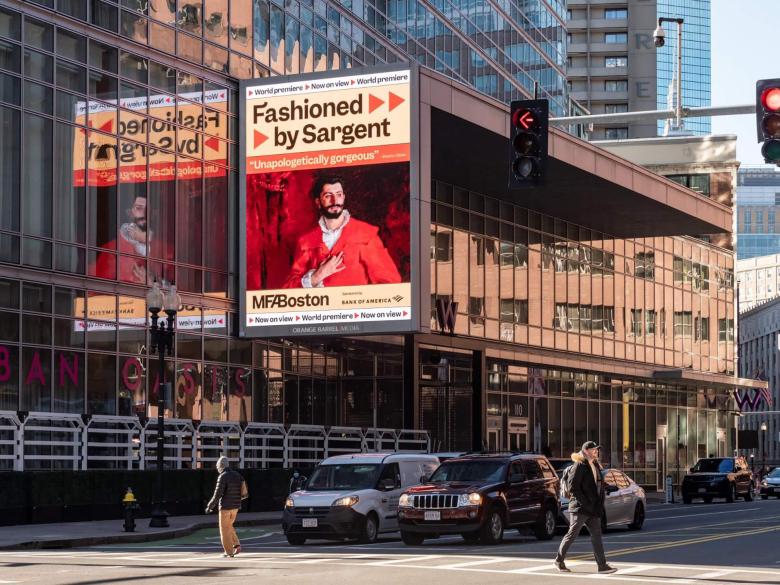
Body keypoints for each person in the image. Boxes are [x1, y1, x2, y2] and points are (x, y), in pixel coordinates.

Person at [282, 175, 402, 288]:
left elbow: (390, 283)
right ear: (318, 202)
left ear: (343, 197)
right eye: (328, 196)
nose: (335, 201)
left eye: (338, 195)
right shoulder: (306, 241)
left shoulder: (365, 234)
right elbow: (289, 288)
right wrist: (317, 276)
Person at [554, 441, 617, 575]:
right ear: (586, 451)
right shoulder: (580, 465)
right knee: (572, 534)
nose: (596, 452)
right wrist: (585, 503)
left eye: (597, 450)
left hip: (593, 508)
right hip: (580, 508)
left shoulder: (594, 465)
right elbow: (573, 488)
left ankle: (602, 566)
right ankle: (559, 560)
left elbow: (597, 486)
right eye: (594, 449)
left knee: (597, 536)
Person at [205, 456, 243, 557]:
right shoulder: (237, 475)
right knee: (229, 526)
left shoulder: (222, 476)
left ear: (221, 466)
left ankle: (228, 551)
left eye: (218, 466)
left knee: (224, 530)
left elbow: (217, 494)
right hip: (236, 506)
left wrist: (209, 506)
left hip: (225, 507)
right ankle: (236, 544)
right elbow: (243, 490)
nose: (217, 468)